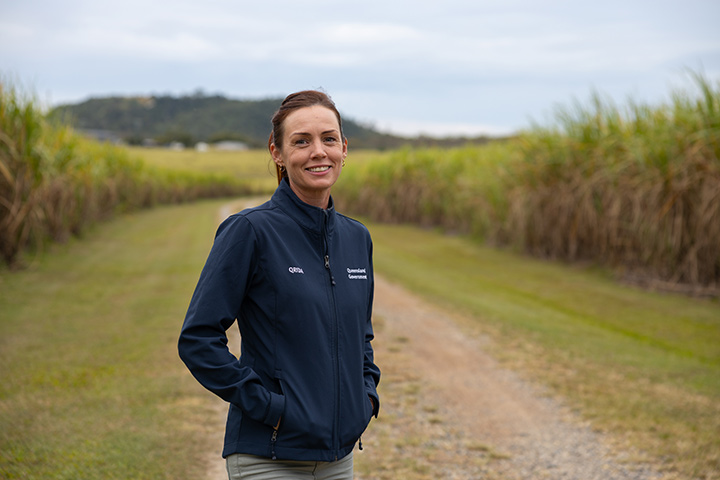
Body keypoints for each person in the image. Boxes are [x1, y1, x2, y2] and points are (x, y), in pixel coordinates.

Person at [178, 90, 381, 480]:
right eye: (301, 141)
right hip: (268, 457)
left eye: (329, 139)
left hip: (338, 459)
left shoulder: (358, 238)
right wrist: (272, 409)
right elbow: (198, 339)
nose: (318, 152)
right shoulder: (250, 231)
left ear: (344, 148)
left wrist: (365, 397)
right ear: (277, 152)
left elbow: (362, 337)